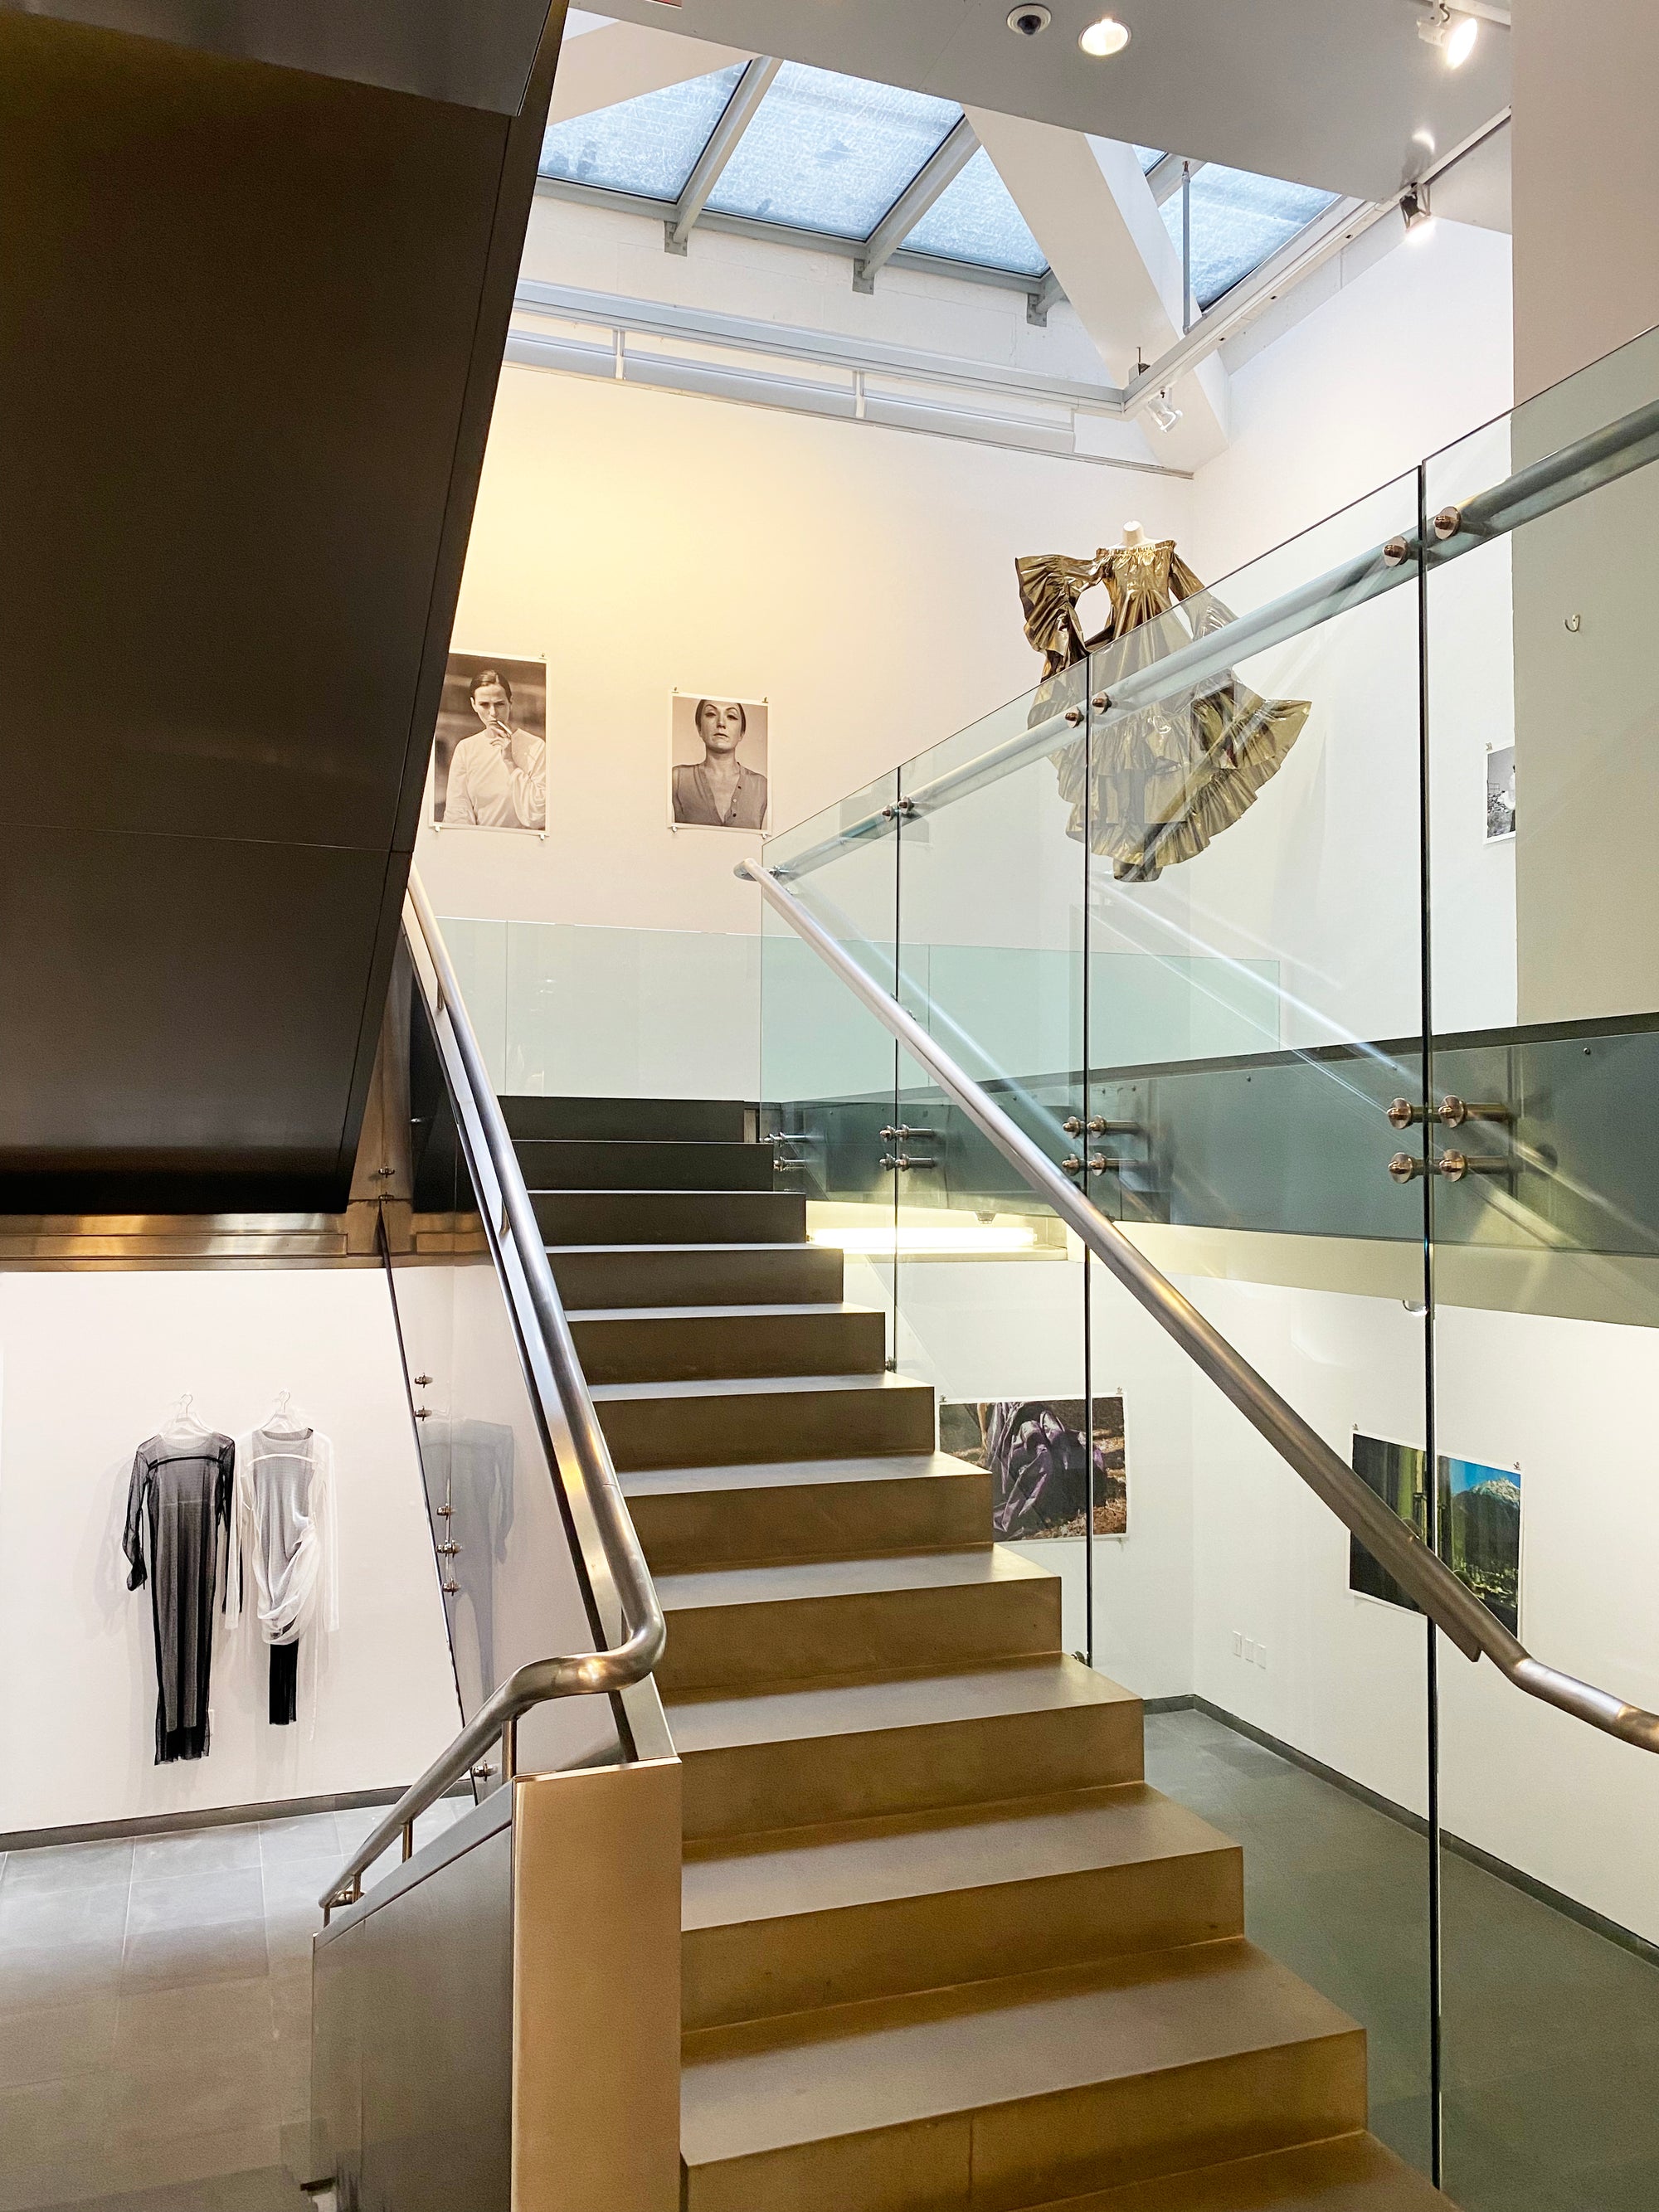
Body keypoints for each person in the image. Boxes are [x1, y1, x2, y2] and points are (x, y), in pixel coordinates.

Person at [443, 668, 547, 829]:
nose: (493, 713)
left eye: (500, 704)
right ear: (473, 704)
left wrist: (510, 762)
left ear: (510, 702)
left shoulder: (536, 746)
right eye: (484, 704)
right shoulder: (466, 748)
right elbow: (457, 811)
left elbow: (539, 814)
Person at [672, 698, 767, 829]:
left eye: (731, 716)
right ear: (699, 728)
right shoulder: (678, 779)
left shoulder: (761, 786)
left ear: (742, 733)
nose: (721, 723)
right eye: (711, 714)